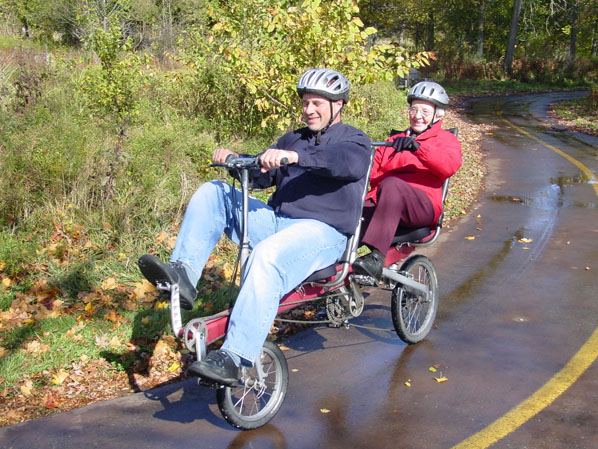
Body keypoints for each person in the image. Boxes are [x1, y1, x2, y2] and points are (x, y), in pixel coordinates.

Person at [138, 68, 371, 386]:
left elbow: (345, 163)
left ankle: (234, 356)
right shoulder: (293, 138)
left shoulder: (354, 141)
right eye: (305, 102)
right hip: (278, 222)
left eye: (317, 103)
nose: (308, 110)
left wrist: (294, 157)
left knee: (267, 255)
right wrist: (237, 160)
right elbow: (262, 176)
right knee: (214, 192)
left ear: (338, 105)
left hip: (323, 232)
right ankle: (183, 275)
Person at [352, 81, 462, 281]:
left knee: (392, 184)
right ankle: (332, 269)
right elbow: (374, 176)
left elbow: (449, 166)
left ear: (438, 114)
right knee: (347, 211)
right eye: (414, 109)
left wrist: (418, 149)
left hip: (422, 206)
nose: (418, 116)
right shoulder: (393, 141)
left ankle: (377, 257)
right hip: (385, 201)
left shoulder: (446, 140)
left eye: (425, 111)